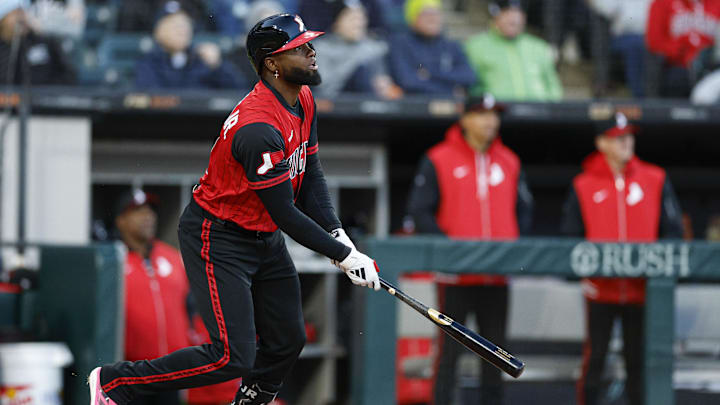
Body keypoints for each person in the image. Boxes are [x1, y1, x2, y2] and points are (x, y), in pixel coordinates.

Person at [88, 13, 380, 405]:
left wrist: (336, 232)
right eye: (299, 47)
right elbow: (285, 214)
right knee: (231, 356)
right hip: (219, 235)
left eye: (309, 44)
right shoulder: (257, 127)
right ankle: (114, 382)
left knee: (287, 341)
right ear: (272, 63)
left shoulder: (303, 98)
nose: (312, 52)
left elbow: (309, 173)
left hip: (263, 236)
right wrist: (344, 256)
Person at [407, 94, 533, 405]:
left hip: (497, 277)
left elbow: (525, 210)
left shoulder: (510, 160)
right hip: (454, 277)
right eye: (481, 114)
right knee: (448, 354)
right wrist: (450, 250)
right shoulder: (439, 158)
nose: (490, 121)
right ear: (464, 119)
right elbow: (420, 211)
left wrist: (510, 247)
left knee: (496, 355)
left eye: (494, 115)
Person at [560, 113, 684, 405]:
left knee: (639, 361)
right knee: (596, 359)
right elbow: (570, 236)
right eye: (618, 137)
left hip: (643, 289)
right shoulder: (583, 183)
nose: (626, 142)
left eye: (629, 136)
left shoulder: (655, 178)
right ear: (601, 143)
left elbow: (673, 231)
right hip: (600, 289)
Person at [112, 188, 240, 405]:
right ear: (121, 221)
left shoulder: (173, 258)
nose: (148, 216)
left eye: (150, 211)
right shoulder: (113, 262)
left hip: (170, 373)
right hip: (130, 374)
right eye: (138, 211)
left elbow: (193, 309)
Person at [134, 2, 247, 90]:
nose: (181, 30)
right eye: (174, 25)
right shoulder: (148, 62)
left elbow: (238, 91)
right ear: (159, 31)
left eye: (185, 24)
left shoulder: (202, 59)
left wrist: (218, 66)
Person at [464, 0, 562, 101]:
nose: (514, 19)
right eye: (507, 13)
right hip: (496, 111)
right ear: (496, 16)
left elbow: (553, 87)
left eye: (518, 14)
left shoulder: (538, 47)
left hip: (537, 111)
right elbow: (469, 84)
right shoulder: (475, 46)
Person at [312, 0, 402, 99]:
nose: (358, 24)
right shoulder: (321, 49)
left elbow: (385, 82)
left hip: (373, 106)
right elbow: (325, 89)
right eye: (352, 18)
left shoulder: (376, 48)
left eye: (361, 18)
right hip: (340, 107)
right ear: (336, 22)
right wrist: (356, 66)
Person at [388, 0, 476, 96]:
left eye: (436, 13)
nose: (432, 18)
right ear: (412, 18)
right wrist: (450, 90)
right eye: (426, 14)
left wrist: (430, 73)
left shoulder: (451, 46)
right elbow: (407, 81)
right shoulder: (400, 44)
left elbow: (469, 77)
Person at [645, 0, 720, 97]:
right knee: (678, 80)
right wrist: (680, 50)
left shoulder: (716, 3)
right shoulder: (662, 3)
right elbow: (654, 43)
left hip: (713, 68)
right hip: (678, 67)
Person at [586, 0, 652, 98]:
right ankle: (640, 98)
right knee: (635, 47)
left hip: (649, 37)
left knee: (647, 47)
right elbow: (604, 8)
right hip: (624, 37)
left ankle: (650, 98)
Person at [0, 0, 76, 85]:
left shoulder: (45, 41)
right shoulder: (3, 47)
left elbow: (69, 75)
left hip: (46, 96)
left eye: (23, 12)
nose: (21, 18)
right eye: (14, 13)